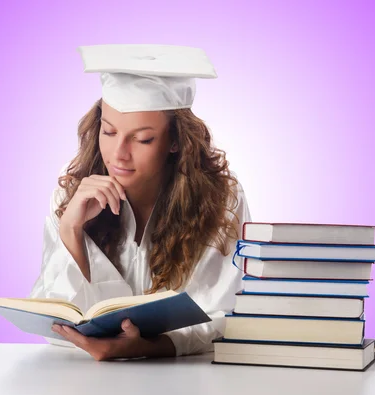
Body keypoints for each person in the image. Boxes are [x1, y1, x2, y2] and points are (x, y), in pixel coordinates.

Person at [28, 44, 251, 361]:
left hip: (189, 377)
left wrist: (154, 346)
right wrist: (71, 229)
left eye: (143, 138)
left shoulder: (220, 198)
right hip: (80, 376)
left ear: (176, 141)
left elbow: (223, 309)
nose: (119, 154)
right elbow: (57, 315)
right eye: (109, 131)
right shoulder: (72, 194)